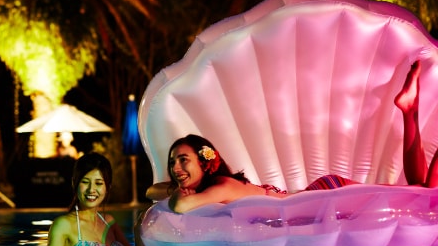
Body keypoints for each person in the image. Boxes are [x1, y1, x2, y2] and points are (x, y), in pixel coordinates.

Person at [146, 61, 438, 214]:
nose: (175, 168)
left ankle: (409, 109)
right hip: (320, 193)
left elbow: (181, 206)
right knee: (418, 191)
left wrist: (177, 194)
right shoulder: (216, 184)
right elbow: (152, 191)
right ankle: (409, 109)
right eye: (172, 162)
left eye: (182, 159)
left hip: (325, 195)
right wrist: (174, 187)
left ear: (206, 161)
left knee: (425, 194)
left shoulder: (220, 186)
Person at [45, 152, 135, 246]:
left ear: (108, 187)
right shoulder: (63, 225)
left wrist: (139, 230)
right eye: (85, 182)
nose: (91, 189)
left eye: (99, 183)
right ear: (74, 183)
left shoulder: (109, 223)